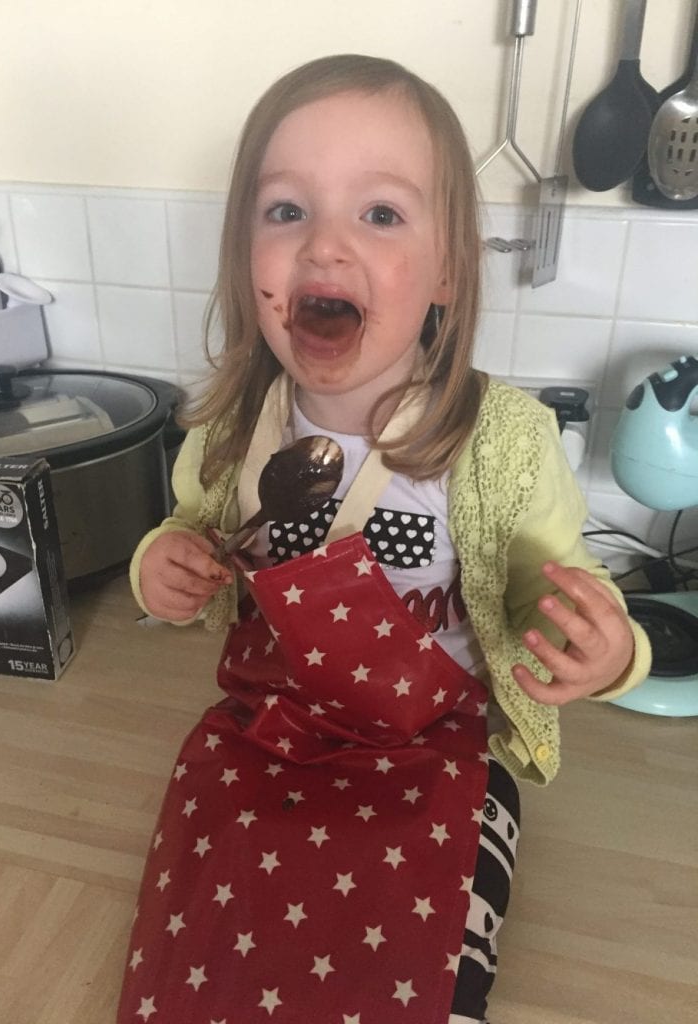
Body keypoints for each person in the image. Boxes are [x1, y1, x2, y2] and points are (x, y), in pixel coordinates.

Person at [116, 54, 651, 1024]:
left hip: (434, 751)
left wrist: (605, 649)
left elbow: (558, 587)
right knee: (202, 947)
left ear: (447, 269)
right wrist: (161, 568)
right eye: (286, 210)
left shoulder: (502, 443)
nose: (325, 245)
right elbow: (188, 531)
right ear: (244, 254)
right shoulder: (231, 430)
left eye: (380, 213)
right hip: (270, 735)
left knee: (421, 965)